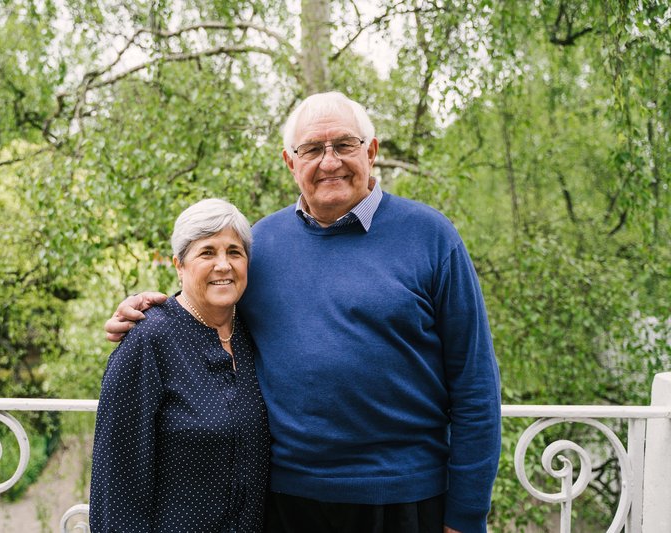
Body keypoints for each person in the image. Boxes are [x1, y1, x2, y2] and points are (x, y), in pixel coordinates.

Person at [105, 92, 501, 533]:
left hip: (405, 499)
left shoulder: (432, 237)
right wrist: (152, 313)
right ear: (290, 163)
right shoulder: (263, 243)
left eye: (344, 145)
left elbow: (476, 386)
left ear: (371, 152)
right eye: (312, 150)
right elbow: (213, 301)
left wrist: (466, 515)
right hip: (286, 503)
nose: (329, 162)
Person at [90, 199, 270, 532]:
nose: (223, 265)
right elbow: (115, 481)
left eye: (234, 252)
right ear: (179, 265)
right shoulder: (149, 339)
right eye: (207, 252)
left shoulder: (251, 332)